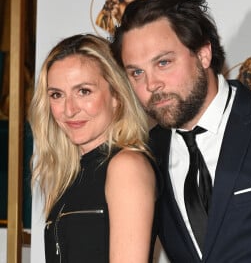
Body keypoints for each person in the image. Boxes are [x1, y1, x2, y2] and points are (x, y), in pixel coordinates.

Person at [110, 0, 251, 262]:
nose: (151, 85)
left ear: (203, 54)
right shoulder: (145, 156)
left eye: (163, 63)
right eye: (136, 72)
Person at [29, 33, 161, 263]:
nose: (69, 110)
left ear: (116, 96)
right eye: (57, 95)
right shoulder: (70, 175)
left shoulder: (126, 166)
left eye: (84, 91)